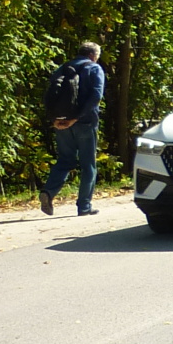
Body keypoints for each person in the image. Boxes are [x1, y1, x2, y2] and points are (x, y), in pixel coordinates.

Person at [41, 42, 106, 216]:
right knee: (88, 164)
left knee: (65, 160)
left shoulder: (63, 68)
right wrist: (76, 118)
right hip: (85, 122)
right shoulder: (94, 69)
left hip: (61, 122)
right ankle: (84, 206)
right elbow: (96, 96)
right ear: (93, 55)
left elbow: (49, 95)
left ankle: (48, 192)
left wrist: (54, 119)